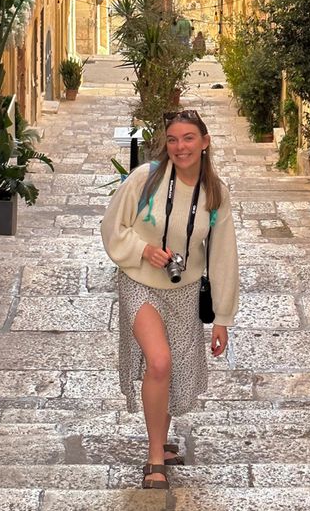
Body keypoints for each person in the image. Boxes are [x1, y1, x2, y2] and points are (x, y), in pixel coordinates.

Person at [101, 109, 239, 489]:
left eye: (189, 138)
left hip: (185, 290)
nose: (180, 147)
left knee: (173, 367)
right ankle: (154, 457)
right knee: (159, 361)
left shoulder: (215, 193)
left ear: (205, 143)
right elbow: (112, 227)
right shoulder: (145, 179)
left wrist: (223, 318)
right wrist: (143, 250)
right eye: (173, 140)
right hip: (140, 281)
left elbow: (224, 254)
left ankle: (161, 440)